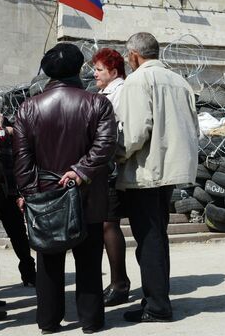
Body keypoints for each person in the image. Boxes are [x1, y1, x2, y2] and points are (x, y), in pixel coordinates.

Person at [13, 43, 117, 334]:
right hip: (88, 195)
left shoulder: (28, 108)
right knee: (89, 261)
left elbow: (22, 161)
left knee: (48, 262)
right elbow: (105, 145)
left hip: (45, 195)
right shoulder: (98, 103)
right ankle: (91, 320)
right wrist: (81, 172)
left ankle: (47, 321)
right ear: (79, 68)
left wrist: (30, 195)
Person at [116, 32, 199, 323]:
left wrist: (116, 155)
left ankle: (157, 306)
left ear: (134, 55)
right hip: (169, 171)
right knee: (156, 238)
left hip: (146, 172)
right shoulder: (179, 81)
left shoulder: (138, 81)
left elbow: (134, 132)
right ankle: (155, 298)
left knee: (149, 240)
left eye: (128, 56)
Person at [0, 84, 36, 309]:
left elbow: (19, 141)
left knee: (18, 233)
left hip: (8, 187)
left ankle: (29, 273)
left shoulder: (3, 118)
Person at [92, 48, 131, 307]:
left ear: (113, 72)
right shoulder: (106, 92)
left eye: (99, 70)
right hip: (108, 167)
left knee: (109, 224)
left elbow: (114, 131)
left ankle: (119, 284)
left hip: (113, 168)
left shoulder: (118, 93)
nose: (94, 74)